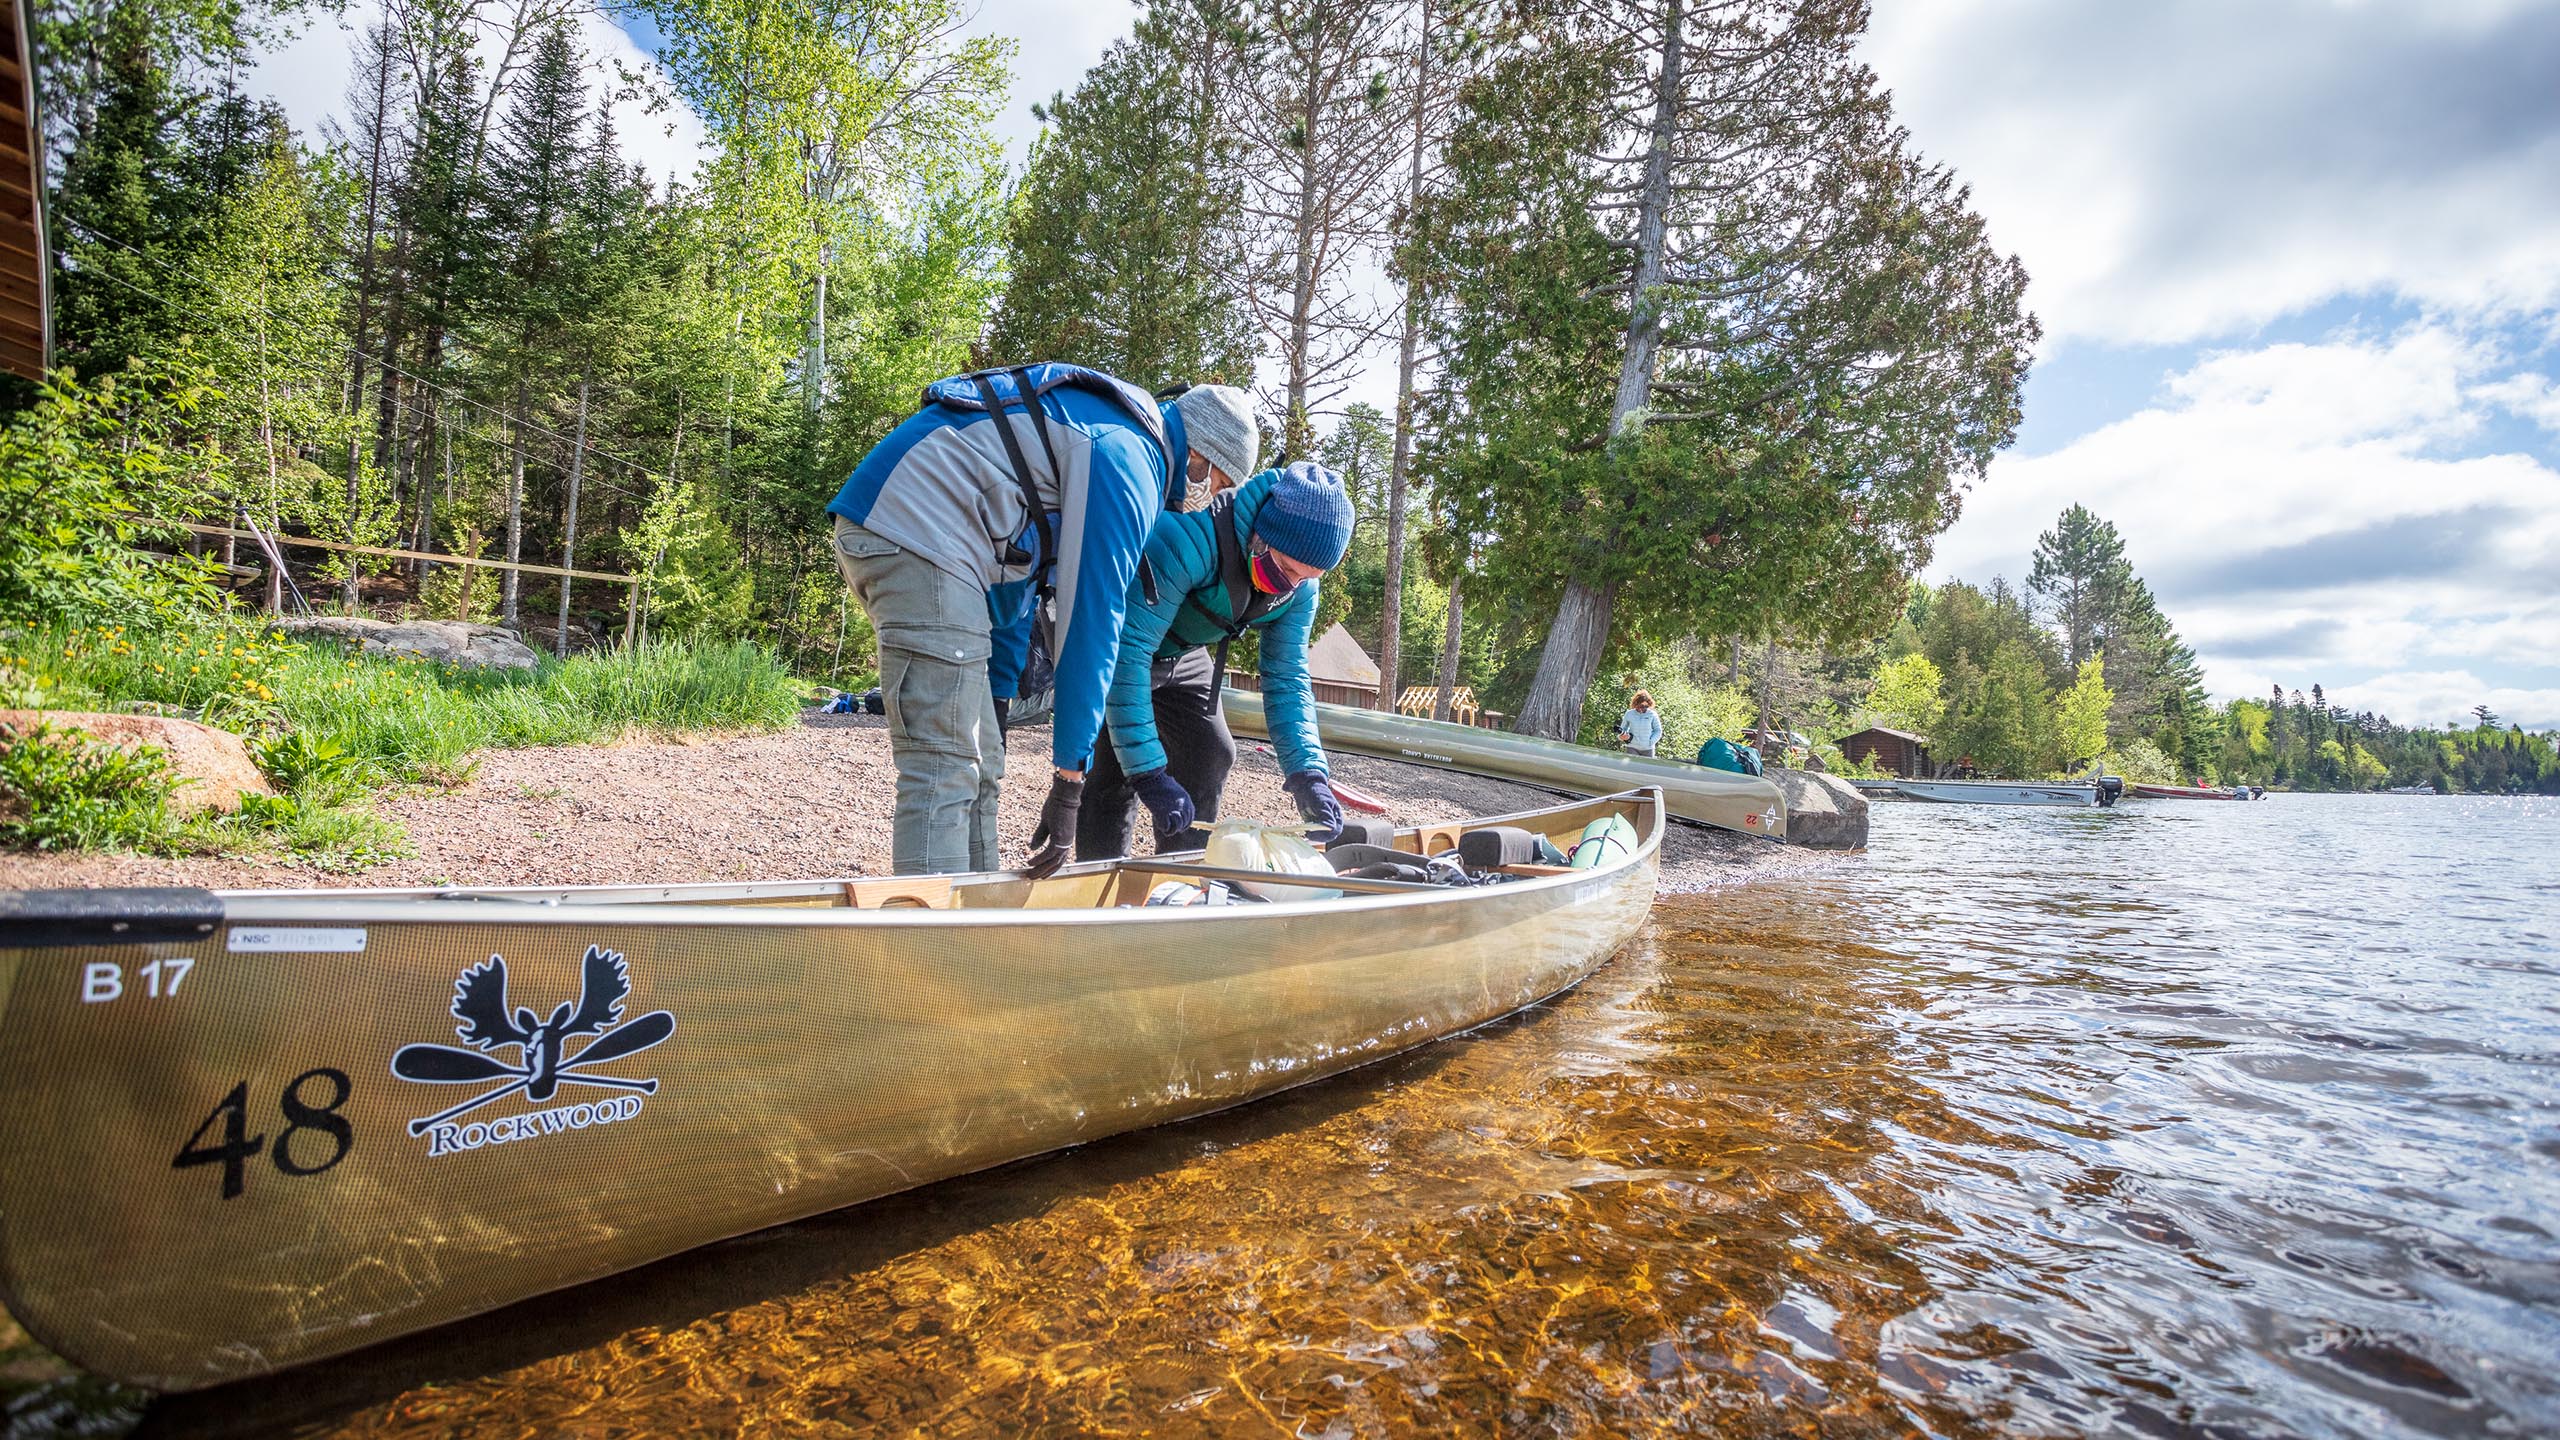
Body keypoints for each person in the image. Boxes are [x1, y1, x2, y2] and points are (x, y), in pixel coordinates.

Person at [827, 364, 1260, 876]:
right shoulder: (1129, 457)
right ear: (1199, 456)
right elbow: (1092, 623)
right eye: (1219, 482)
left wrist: (998, 696)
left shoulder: (1122, 441)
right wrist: (1070, 780)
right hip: (915, 529)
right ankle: (932, 949)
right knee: (946, 764)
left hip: (941, 541)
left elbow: (1016, 580)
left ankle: (981, 927)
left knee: (984, 760)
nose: (1209, 498)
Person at [1080, 461, 1357, 861]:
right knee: (1115, 768)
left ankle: (1181, 884)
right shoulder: (1188, 538)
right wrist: (1150, 774)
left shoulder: (1299, 589)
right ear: (1262, 535)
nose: (1289, 585)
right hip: (1124, 643)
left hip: (1185, 653)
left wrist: (1308, 773)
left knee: (1211, 750)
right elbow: (1129, 653)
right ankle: (1096, 892)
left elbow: (1287, 677)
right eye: (1285, 569)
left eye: (1306, 577)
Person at [1615, 690, 1662, 757]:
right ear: (1635, 704)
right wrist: (1621, 737)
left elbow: (1658, 730)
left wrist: (1651, 742)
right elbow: (1622, 729)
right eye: (1639, 706)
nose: (1641, 709)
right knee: (1632, 767)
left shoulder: (1652, 714)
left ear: (1649, 704)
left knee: (1647, 767)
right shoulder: (1629, 714)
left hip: (1648, 749)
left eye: (1644, 707)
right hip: (1632, 747)